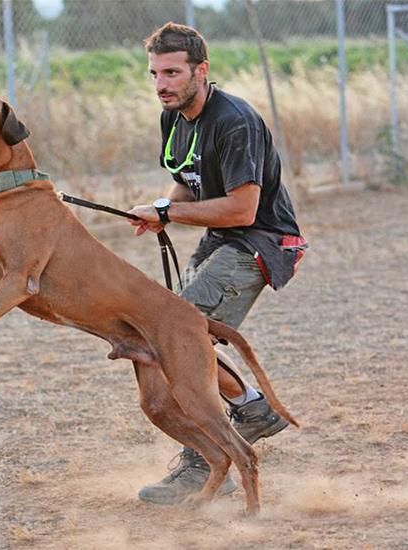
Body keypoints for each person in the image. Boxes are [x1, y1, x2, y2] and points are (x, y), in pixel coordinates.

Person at [127, 22, 307, 505]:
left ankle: (210, 460)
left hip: (259, 242)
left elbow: (243, 209)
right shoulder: (174, 116)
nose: (161, 84)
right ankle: (250, 410)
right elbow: (187, 183)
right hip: (219, 239)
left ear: (201, 70)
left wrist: (168, 213)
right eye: (154, 74)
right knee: (173, 336)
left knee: (177, 341)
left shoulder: (235, 121)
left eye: (171, 72)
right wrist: (164, 209)